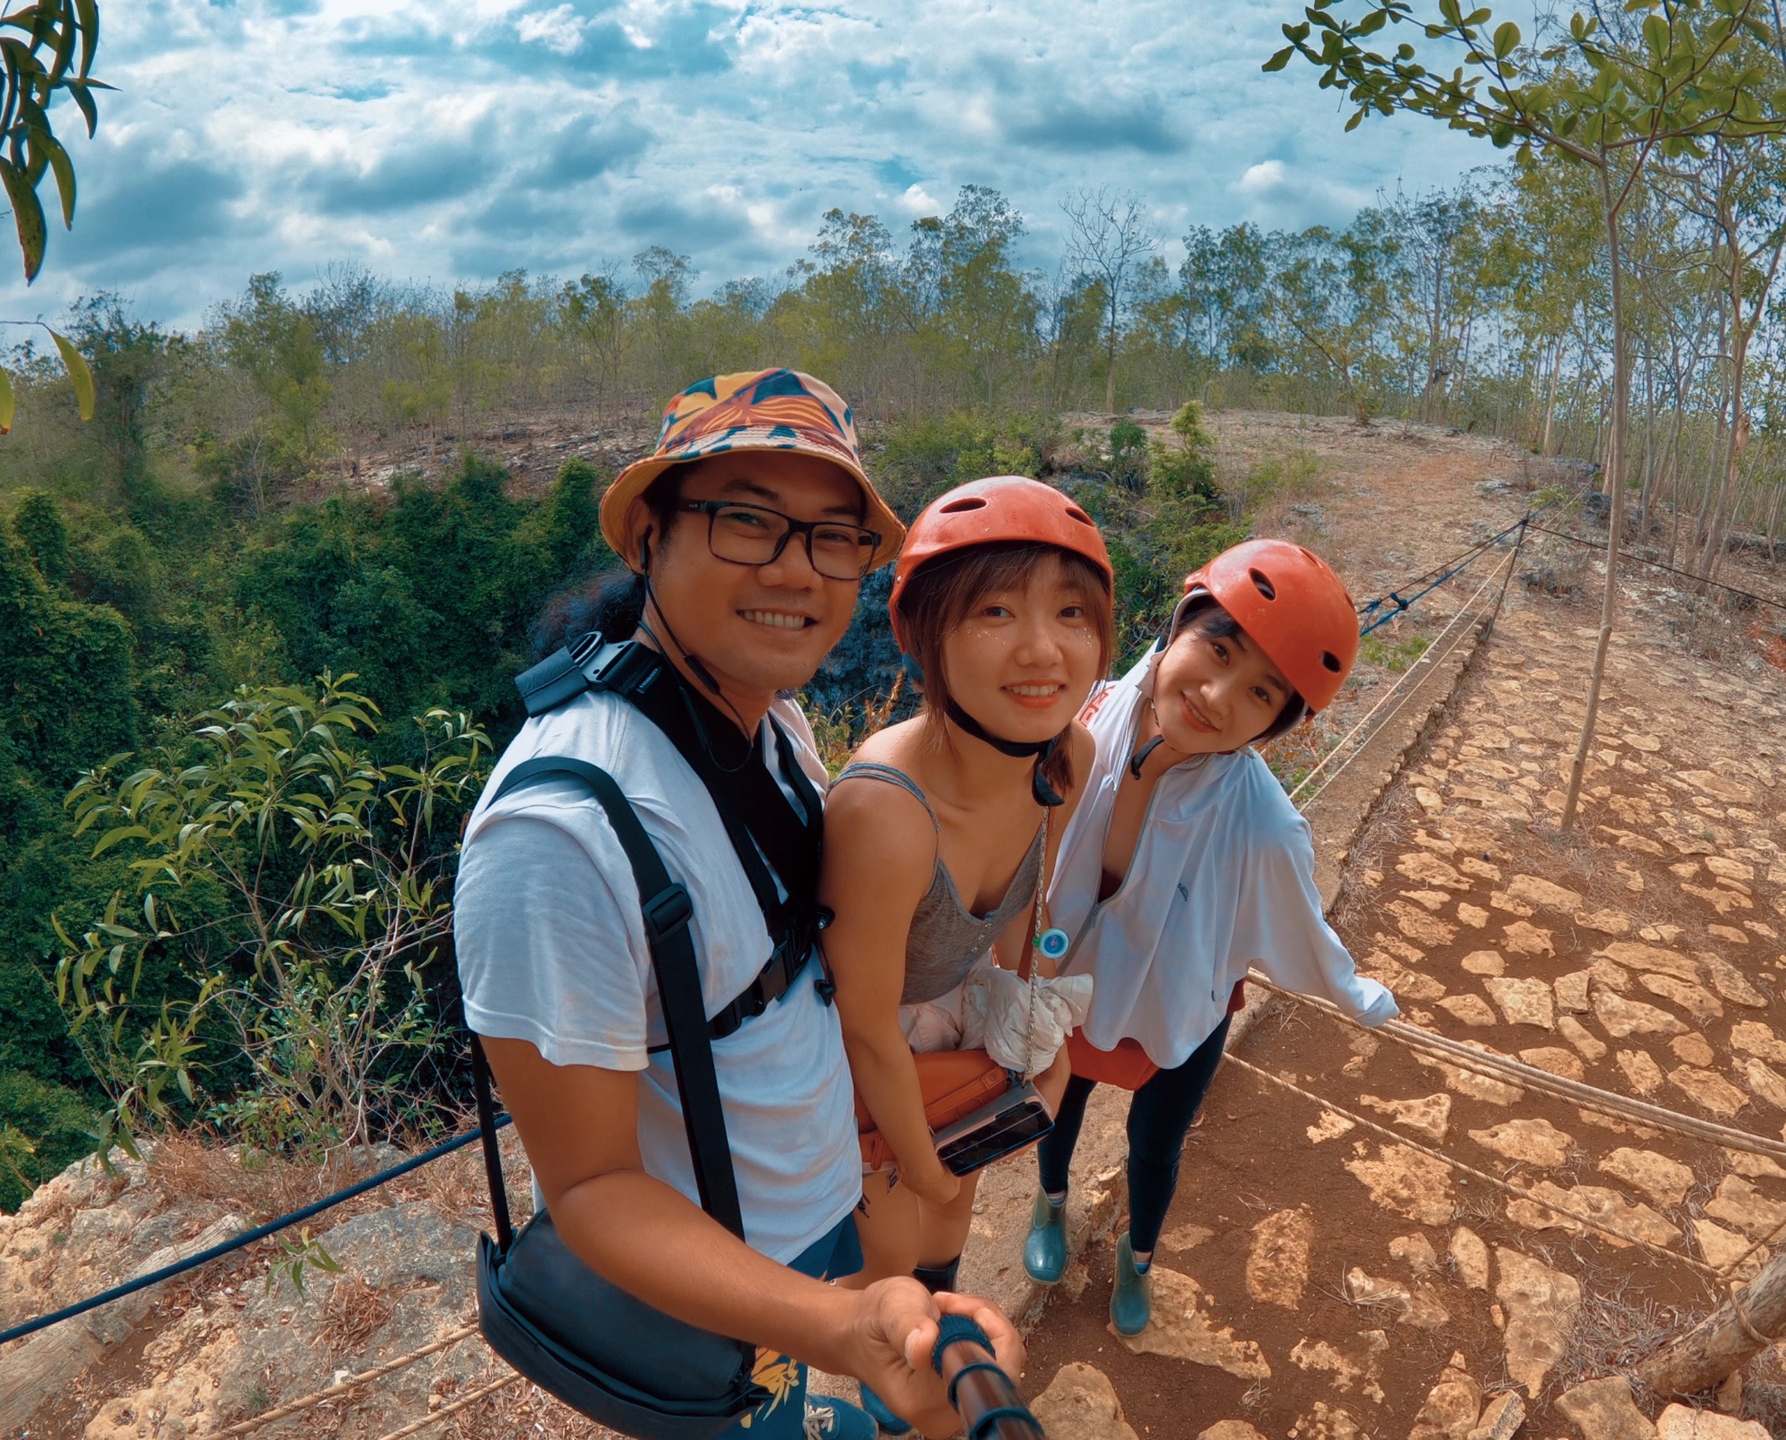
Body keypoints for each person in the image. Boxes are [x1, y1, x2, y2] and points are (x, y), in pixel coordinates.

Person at [454, 369, 1026, 1440]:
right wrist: (832, 1325)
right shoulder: (561, 834)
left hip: (819, 1209)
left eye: (832, 538)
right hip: (722, 1293)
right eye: (748, 522)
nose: (796, 570)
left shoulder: (772, 725)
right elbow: (591, 1190)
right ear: (648, 540)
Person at [1021, 538, 1399, 1335]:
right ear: (1176, 627)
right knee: (1058, 1103)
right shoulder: (1077, 717)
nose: (1217, 697)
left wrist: (1359, 997)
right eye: (1216, 650)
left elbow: (1303, 929)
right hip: (1073, 977)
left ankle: (1138, 1257)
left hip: (1178, 1006)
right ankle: (1050, 1208)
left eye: (1260, 694)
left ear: (1276, 724)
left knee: (1155, 1148)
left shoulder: (1262, 827)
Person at [819, 476, 1113, 1436]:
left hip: (951, 1024)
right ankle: (900, 1407)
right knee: (895, 1258)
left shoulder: (1063, 758)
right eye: (995, 611)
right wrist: (921, 1158)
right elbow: (860, 1019)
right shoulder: (883, 813)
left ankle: (932, 1375)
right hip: (859, 1064)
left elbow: (1028, 910)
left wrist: (1029, 1018)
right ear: (926, 634)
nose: (1043, 648)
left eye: (1072, 614)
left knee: (949, 1223)